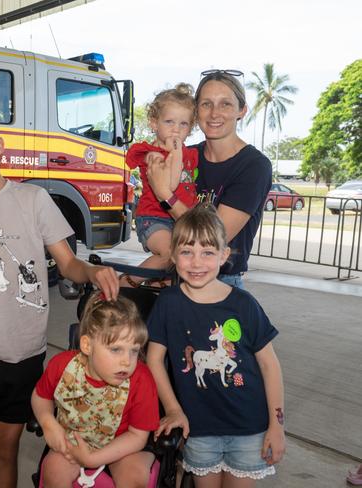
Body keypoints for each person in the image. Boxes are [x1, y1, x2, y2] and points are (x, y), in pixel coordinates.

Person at [0, 101, 120, 488]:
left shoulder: (33, 200)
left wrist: (93, 271)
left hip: (25, 353)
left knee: (5, 452)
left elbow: (68, 264)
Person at [146, 204, 285, 488]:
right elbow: (154, 360)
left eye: (207, 252)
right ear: (173, 255)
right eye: (187, 252)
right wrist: (173, 408)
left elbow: (270, 366)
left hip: (249, 429)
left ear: (224, 255)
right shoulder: (168, 303)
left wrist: (277, 426)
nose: (196, 263)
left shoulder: (244, 305)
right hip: (198, 429)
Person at [146, 70, 272, 288]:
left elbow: (212, 237)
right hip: (174, 276)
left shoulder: (253, 166)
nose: (215, 113)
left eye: (225, 104)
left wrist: (164, 194)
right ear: (196, 112)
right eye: (206, 104)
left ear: (241, 111)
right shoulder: (187, 156)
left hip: (220, 283)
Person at [31, 292, 159, 488]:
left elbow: (137, 436)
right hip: (72, 441)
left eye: (134, 350)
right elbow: (40, 397)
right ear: (87, 345)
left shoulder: (141, 379)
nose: (127, 361)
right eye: (116, 349)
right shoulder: (62, 366)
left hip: (124, 446)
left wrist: (93, 458)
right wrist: (48, 422)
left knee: (134, 478)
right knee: (53, 471)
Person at [122, 83, 198, 286]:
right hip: (154, 217)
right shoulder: (151, 153)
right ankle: (126, 283)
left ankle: (156, 288)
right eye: (169, 122)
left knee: (180, 264)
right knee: (170, 254)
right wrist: (177, 151)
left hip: (178, 219)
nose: (176, 129)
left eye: (183, 124)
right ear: (154, 123)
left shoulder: (191, 154)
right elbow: (170, 185)